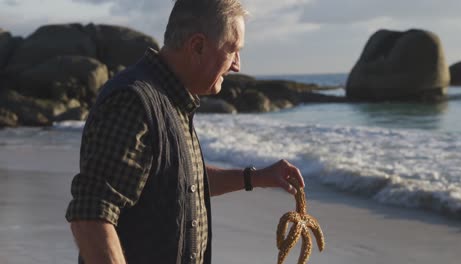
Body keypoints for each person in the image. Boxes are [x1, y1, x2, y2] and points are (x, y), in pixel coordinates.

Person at [65, 0, 305, 263]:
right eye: (232, 50)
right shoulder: (133, 102)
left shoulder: (173, 100)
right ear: (197, 46)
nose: (237, 65)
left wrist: (254, 178)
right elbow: (91, 215)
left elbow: (179, 182)